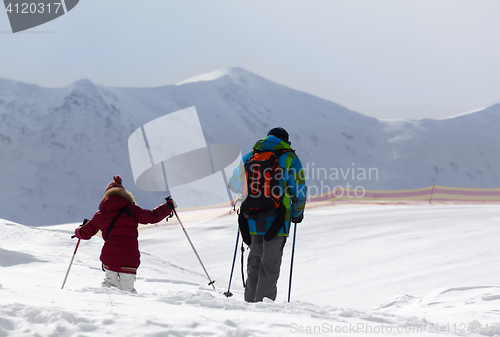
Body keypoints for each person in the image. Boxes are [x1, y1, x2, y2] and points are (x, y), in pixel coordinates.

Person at [229, 127, 307, 302]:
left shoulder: (250, 156)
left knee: (254, 263)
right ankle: (264, 310)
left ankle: (249, 303)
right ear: (285, 141)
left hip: (251, 218)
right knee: (269, 267)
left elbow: (234, 184)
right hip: (277, 220)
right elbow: (299, 190)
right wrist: (297, 213)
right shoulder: (290, 158)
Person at [74, 175, 176, 293]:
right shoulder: (133, 210)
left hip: (109, 257)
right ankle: (128, 309)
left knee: (109, 288)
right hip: (129, 259)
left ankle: (106, 309)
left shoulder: (100, 214)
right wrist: (168, 206)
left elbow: (84, 234)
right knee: (127, 291)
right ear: (124, 194)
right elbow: (152, 217)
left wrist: (79, 230)